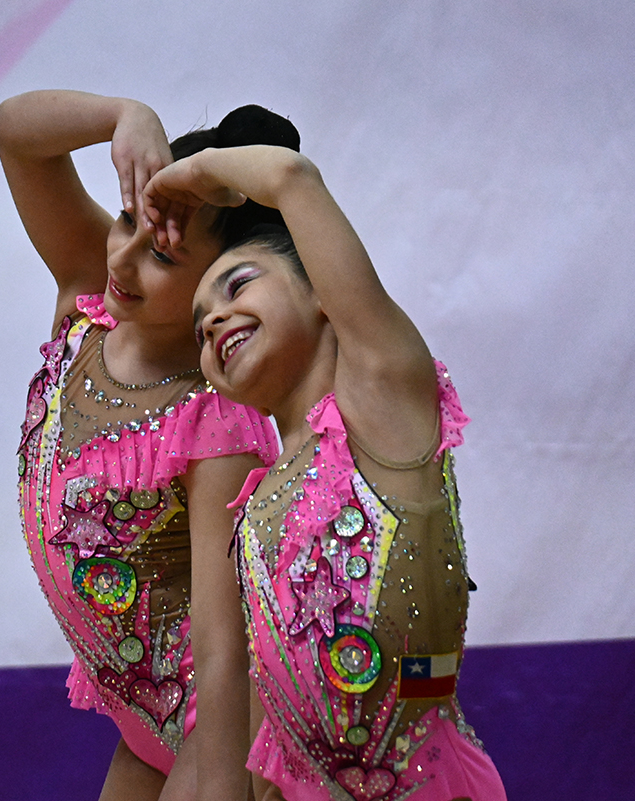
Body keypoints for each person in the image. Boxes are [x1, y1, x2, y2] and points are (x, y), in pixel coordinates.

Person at [142, 145, 507, 800]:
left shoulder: (382, 409)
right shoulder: (254, 505)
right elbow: (271, 708)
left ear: (319, 292)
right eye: (200, 329)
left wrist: (194, 173)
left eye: (237, 285)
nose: (214, 319)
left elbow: (291, 177)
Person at [0, 91, 296, 801]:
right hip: (145, 717)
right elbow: (17, 136)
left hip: (220, 724)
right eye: (128, 219)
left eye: (162, 254)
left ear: (218, 285)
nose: (124, 259)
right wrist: (121, 115)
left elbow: (226, 652)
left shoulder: (215, 422)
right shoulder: (90, 302)